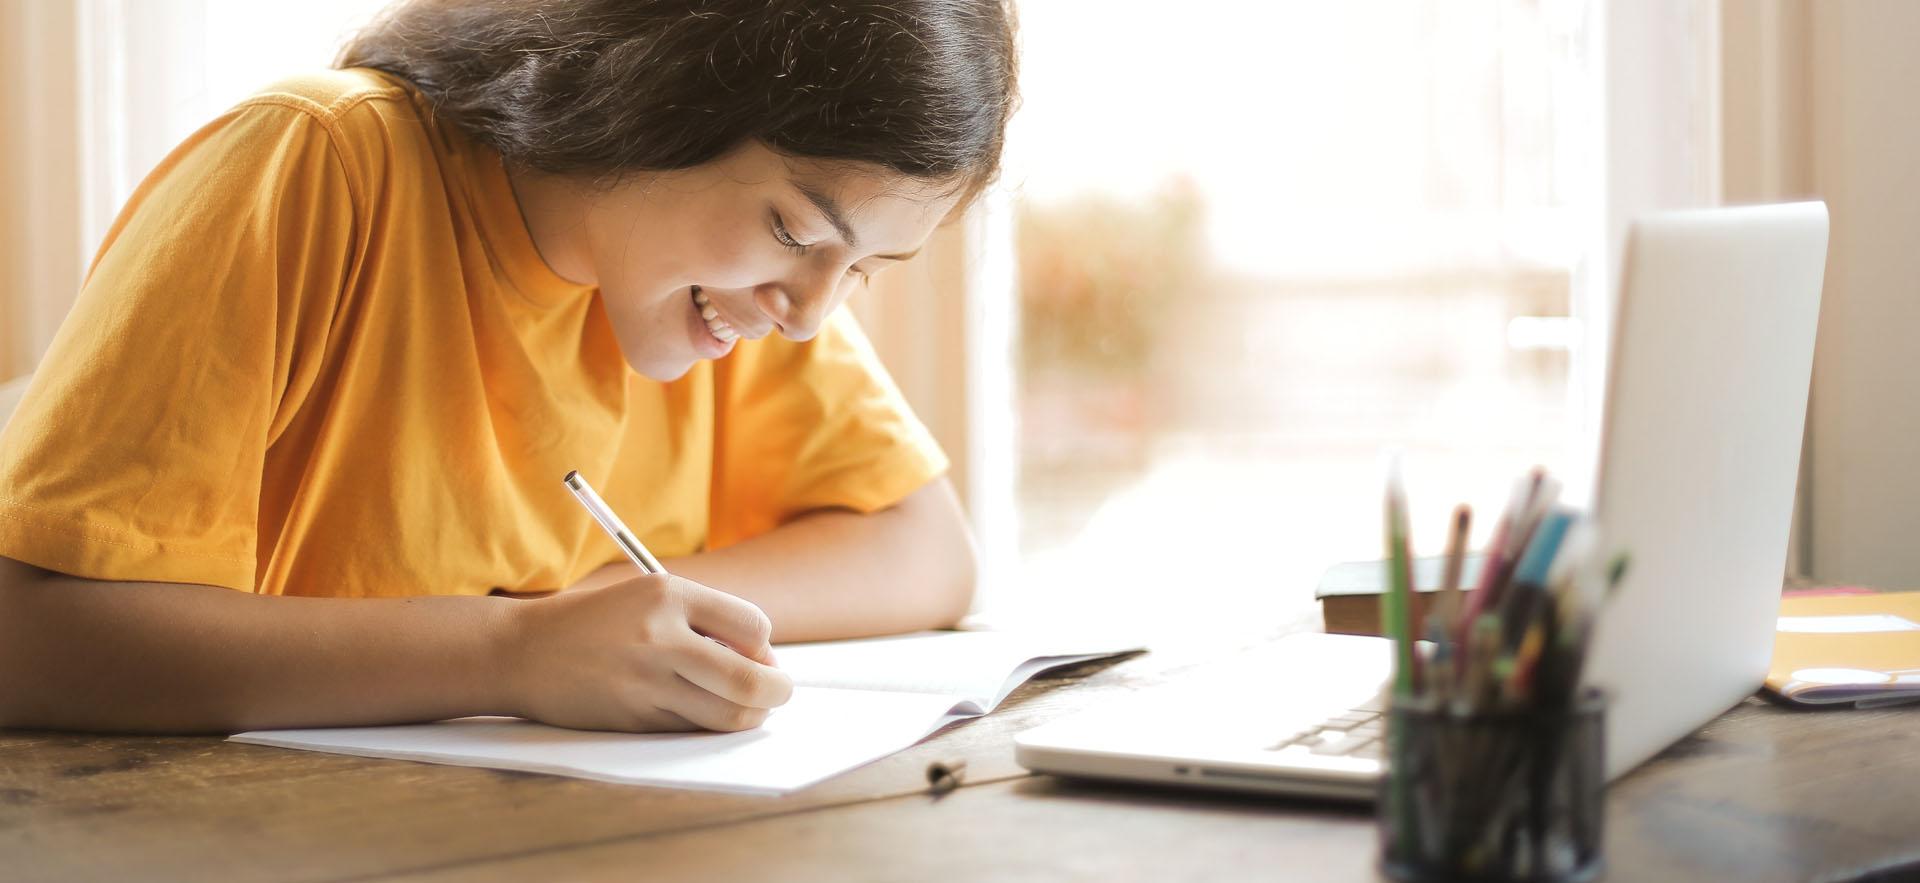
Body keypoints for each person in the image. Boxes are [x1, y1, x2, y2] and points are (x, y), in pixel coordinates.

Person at [0, 0, 1016, 736]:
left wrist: (615, 616)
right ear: (653, 97)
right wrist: (514, 653)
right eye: (794, 228)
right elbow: (29, 638)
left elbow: (926, 549)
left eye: (863, 272)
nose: (807, 317)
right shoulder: (316, 162)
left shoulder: (726, 294)